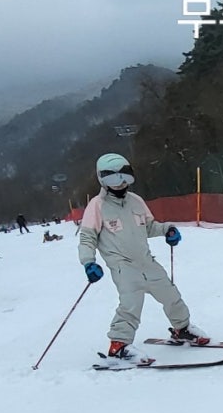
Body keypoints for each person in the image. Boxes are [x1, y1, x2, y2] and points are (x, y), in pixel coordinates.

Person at [78, 152, 209, 366]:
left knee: (171, 295)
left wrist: (167, 230)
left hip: (146, 261)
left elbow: (148, 226)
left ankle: (182, 329)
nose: (120, 184)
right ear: (103, 180)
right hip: (123, 265)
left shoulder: (136, 201)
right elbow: (87, 237)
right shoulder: (97, 206)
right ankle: (119, 345)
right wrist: (88, 262)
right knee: (130, 304)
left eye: (124, 178)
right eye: (114, 180)